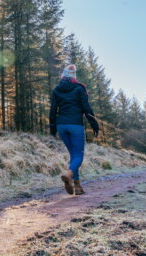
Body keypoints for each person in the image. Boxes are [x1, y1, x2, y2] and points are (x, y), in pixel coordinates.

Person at [49, 64, 100, 195]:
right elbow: (86, 108)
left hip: (61, 126)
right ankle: (69, 174)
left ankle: (77, 187)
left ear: (63, 76)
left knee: (73, 155)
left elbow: (53, 110)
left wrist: (53, 128)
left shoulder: (56, 90)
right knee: (78, 155)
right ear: (73, 77)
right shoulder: (79, 88)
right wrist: (94, 124)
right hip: (75, 125)